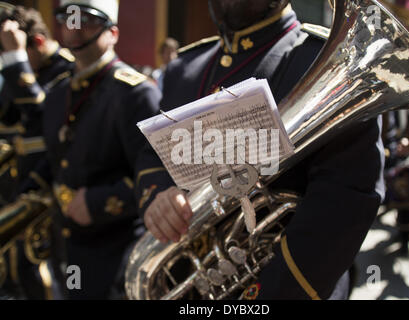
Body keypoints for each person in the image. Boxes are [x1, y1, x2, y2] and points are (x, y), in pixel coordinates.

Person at [136, 0, 385, 300]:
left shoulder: (323, 59)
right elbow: (151, 155)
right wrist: (159, 195)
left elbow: (346, 197)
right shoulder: (183, 68)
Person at [9, 0, 162, 299]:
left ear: (113, 33)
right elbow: (58, 158)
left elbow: (157, 176)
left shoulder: (136, 92)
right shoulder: (58, 93)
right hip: (68, 243)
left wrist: (97, 202)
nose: (75, 29)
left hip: (115, 249)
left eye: (87, 21)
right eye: (68, 19)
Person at [0, 4, 74, 299]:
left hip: (50, 196)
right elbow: (9, 116)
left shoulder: (68, 68)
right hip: (18, 190)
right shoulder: (27, 67)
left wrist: (17, 59)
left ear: (38, 42)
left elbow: (44, 117)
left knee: (49, 280)